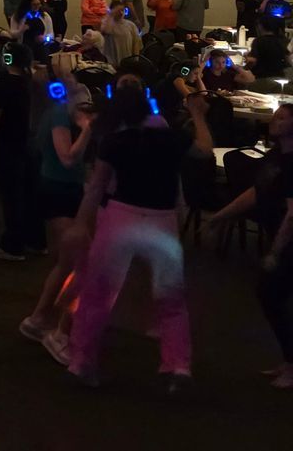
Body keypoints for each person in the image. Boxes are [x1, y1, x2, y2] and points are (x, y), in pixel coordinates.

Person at [66, 76, 212, 388]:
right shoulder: (172, 139)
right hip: (162, 221)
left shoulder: (115, 142)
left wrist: (80, 224)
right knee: (171, 297)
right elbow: (205, 150)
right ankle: (178, 364)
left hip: (121, 217)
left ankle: (81, 360)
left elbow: (96, 188)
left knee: (97, 294)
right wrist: (198, 116)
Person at [207, 103, 293, 388]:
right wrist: (221, 216)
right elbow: (256, 192)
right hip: (279, 237)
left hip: (288, 241)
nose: (274, 120)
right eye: (276, 115)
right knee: (273, 298)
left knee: (271, 296)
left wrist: (275, 251)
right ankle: (288, 362)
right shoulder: (276, 156)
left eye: (282, 117)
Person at [22, 81, 96, 361]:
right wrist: (88, 129)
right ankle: (56, 328)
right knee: (79, 261)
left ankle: (39, 319)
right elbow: (66, 157)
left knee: (68, 262)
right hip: (55, 190)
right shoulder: (59, 116)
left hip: (68, 190)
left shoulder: (65, 114)